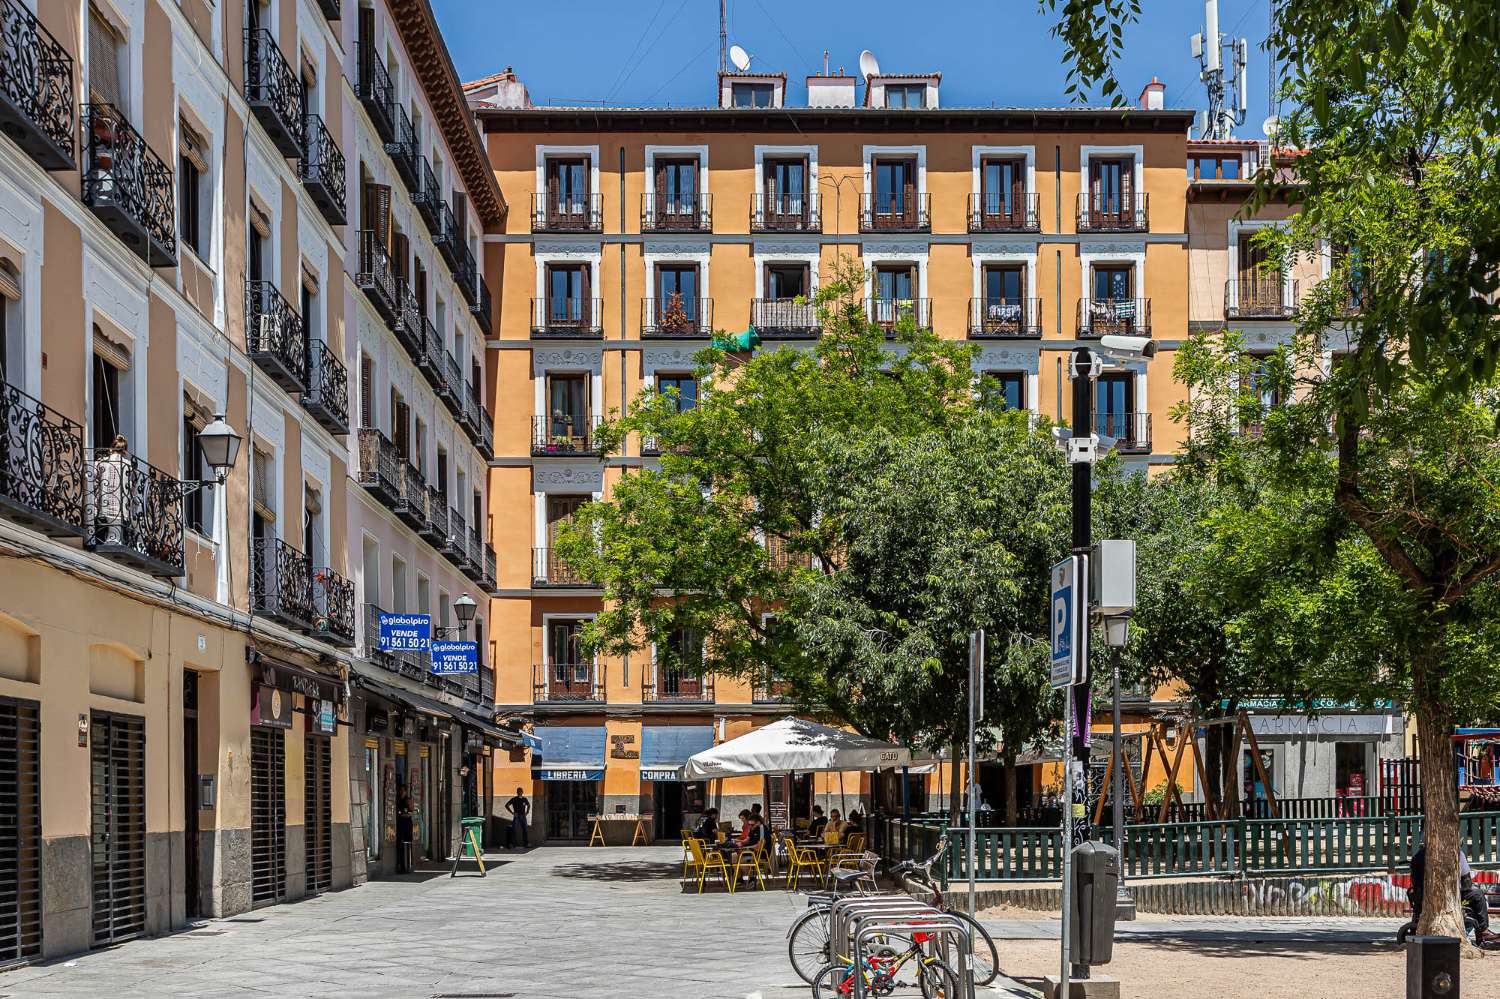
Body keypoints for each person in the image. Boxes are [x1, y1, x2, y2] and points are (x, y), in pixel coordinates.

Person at [1409, 843, 1500, 946]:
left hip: (1423, 897)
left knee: (1472, 897)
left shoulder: (1417, 857)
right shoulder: (1457, 853)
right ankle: (1483, 931)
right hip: (1448, 897)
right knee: (1477, 895)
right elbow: (1466, 882)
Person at [395, 793, 414, 873]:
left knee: (408, 847)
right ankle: (403, 866)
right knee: (402, 848)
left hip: (408, 832)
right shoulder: (402, 807)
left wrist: (407, 814)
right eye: (409, 802)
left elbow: (411, 814)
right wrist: (405, 815)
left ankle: (408, 866)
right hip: (402, 831)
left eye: (411, 802)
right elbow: (400, 814)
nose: (411, 804)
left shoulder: (410, 809)